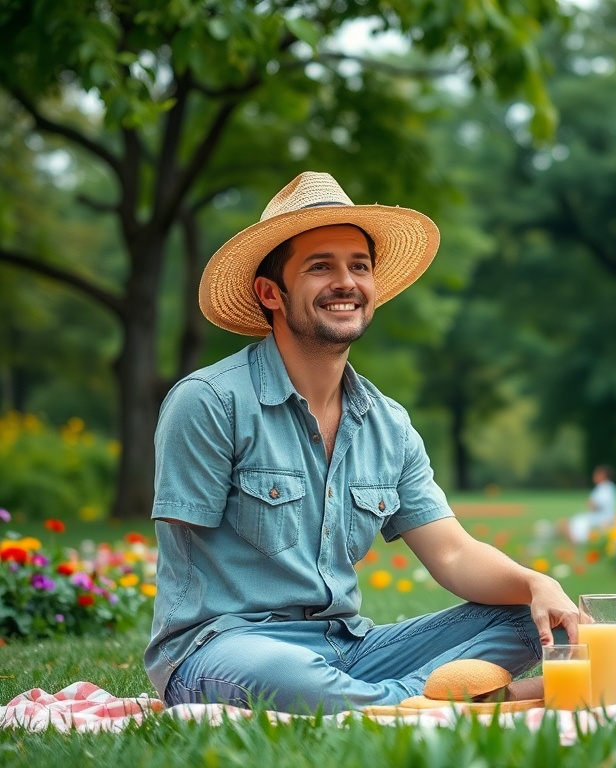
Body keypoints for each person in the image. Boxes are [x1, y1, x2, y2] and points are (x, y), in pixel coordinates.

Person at [144, 172, 580, 714]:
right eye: (320, 266)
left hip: (349, 649)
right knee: (285, 674)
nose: (345, 282)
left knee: (527, 615)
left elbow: (453, 552)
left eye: (359, 265)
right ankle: (462, 699)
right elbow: (184, 560)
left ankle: (420, 700)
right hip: (224, 648)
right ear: (270, 292)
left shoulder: (388, 424)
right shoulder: (209, 402)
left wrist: (538, 583)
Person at [567, 465, 616, 544]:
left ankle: (575, 542)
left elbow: (597, 505)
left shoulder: (605, 488)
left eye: (597, 474)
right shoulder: (607, 487)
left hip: (601, 519)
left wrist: (591, 503)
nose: (594, 476)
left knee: (576, 523)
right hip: (601, 518)